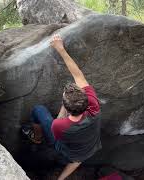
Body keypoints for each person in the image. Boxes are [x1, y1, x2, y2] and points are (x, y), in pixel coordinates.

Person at [23, 34, 101, 180]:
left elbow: (58, 123)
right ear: (86, 99)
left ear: (65, 105)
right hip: (89, 147)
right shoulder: (94, 106)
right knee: (77, 157)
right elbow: (78, 75)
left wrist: (63, 107)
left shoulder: (60, 125)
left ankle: (37, 137)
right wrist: (62, 50)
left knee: (38, 110)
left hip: (68, 148)